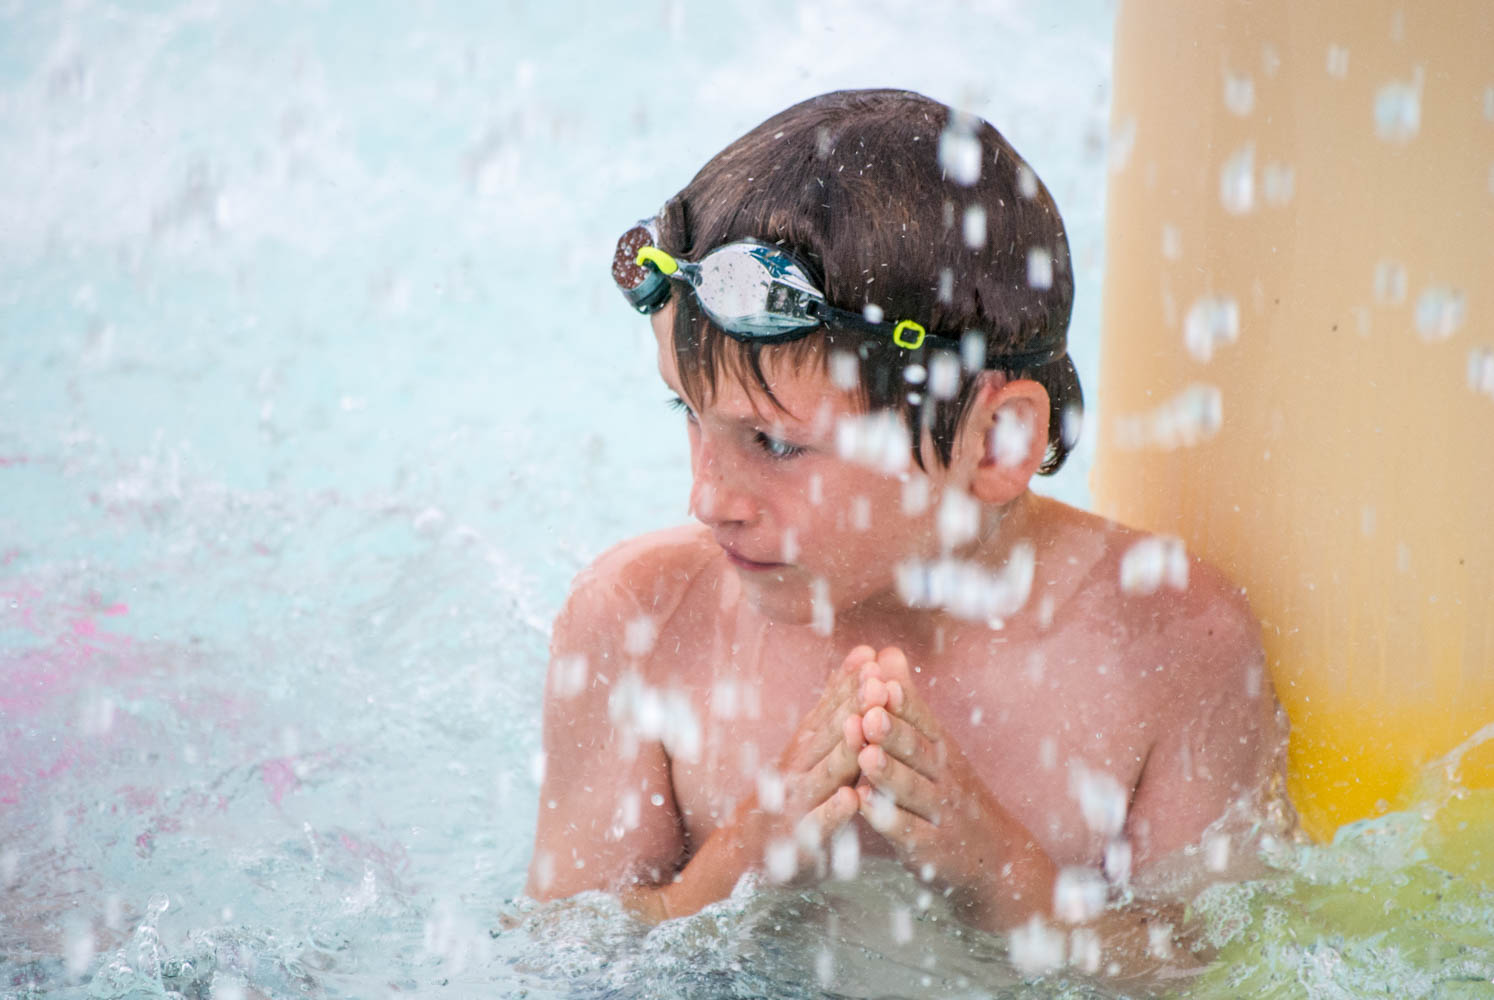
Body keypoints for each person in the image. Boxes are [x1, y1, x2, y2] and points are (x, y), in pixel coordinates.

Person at [526, 89, 1285, 972]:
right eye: (689, 414)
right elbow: (561, 962)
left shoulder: (1170, 647)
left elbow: (1212, 969)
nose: (707, 498)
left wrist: (1003, 877)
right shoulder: (642, 625)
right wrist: (748, 857)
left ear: (997, 442)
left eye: (776, 443)